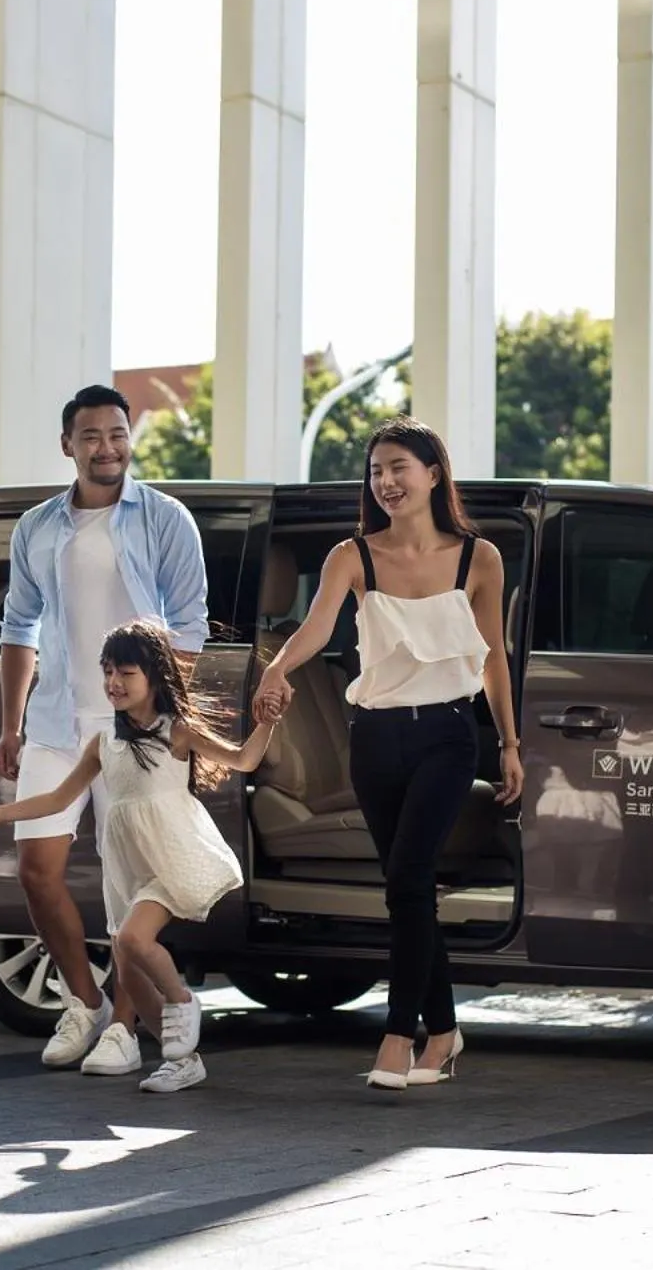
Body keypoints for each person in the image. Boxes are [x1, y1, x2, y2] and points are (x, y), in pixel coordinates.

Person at [251, 416, 524, 1091]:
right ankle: (448, 1030)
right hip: (373, 737)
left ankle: (400, 1034)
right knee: (409, 891)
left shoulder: (477, 559)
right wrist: (276, 669)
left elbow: (491, 659)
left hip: (447, 736)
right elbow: (316, 628)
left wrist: (511, 744)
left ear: (434, 472)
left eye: (399, 466)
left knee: (407, 878)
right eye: (377, 471)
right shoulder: (354, 555)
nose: (387, 481)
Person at [0, 385, 209, 1073]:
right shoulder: (37, 527)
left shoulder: (166, 518)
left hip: (133, 728)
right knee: (36, 869)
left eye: (117, 434)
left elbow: (191, 626)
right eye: (91, 436)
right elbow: (18, 628)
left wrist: (164, 717)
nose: (107, 447)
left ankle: (124, 1024)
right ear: (68, 445)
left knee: (130, 885)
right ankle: (83, 1002)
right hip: (57, 717)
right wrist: (11, 724)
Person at [0, 620, 269, 1094]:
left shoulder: (177, 733)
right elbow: (58, 800)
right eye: (107, 672)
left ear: (155, 676)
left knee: (134, 939)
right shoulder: (105, 744)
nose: (113, 683)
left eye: (125, 672)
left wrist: (269, 719)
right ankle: (183, 1060)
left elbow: (244, 760)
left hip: (172, 857)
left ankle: (183, 1002)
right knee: (125, 952)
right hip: (130, 869)